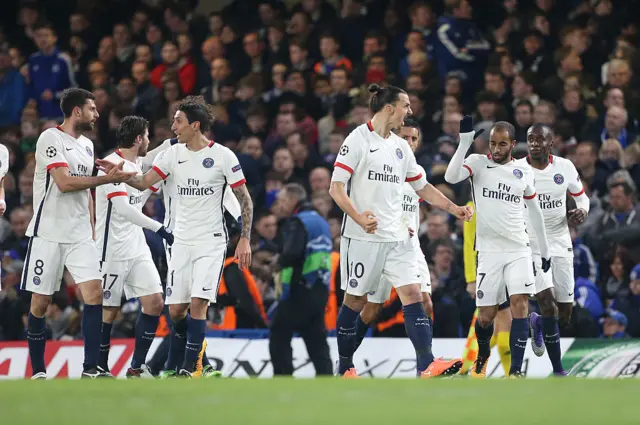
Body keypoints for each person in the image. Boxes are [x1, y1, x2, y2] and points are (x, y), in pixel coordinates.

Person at [101, 96, 253, 377]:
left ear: (195, 125)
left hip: (211, 240)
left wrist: (244, 238)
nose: (173, 127)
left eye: (178, 121)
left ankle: (188, 368)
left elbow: (244, 199)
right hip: (180, 241)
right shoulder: (172, 155)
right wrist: (119, 176)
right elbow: (144, 181)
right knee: (176, 311)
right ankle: (199, 363)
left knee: (198, 303)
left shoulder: (223, 156)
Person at [329, 84, 473, 378]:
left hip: (398, 238)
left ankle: (426, 364)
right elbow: (335, 188)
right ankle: (345, 366)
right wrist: (357, 217)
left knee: (413, 294)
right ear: (389, 108)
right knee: (356, 302)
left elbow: (423, 187)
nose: (410, 111)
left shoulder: (399, 147)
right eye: (406, 105)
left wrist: (453, 208)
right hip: (363, 238)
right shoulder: (357, 140)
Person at [21, 88, 136, 379]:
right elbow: (64, 183)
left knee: (95, 294)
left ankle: (91, 368)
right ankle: (38, 371)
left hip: (80, 235)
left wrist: (93, 228)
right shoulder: (50, 138)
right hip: (48, 233)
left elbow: (88, 193)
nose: (97, 114)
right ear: (77, 112)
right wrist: (106, 179)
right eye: (92, 109)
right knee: (41, 303)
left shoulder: (86, 145)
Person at [347, 118, 460, 372]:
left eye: (414, 138)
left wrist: (453, 210)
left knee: (424, 302)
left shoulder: (416, 171)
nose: (409, 142)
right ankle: (345, 360)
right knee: (372, 308)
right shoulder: (381, 166)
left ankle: (426, 365)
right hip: (381, 244)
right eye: (405, 137)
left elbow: (423, 198)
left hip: (409, 248)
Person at [444, 117, 551, 378]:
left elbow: (535, 212)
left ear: (513, 144)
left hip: (518, 248)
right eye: (492, 143)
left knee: (519, 303)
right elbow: (450, 176)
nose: (496, 148)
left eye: (502, 144)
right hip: (489, 252)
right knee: (485, 317)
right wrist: (465, 143)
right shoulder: (478, 163)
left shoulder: (524, 171)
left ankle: (515, 371)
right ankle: (482, 354)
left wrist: (545, 250)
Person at [94, 116, 174, 378]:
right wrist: (159, 228)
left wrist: (175, 142)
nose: (148, 141)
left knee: (154, 302)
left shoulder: (137, 165)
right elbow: (125, 210)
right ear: (139, 138)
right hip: (111, 249)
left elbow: (152, 155)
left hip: (136, 247)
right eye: (147, 136)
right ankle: (99, 366)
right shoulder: (111, 166)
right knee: (110, 310)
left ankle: (136, 367)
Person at [514, 123, 590, 376]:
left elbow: (581, 196)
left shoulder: (565, 167)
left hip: (560, 242)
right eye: (530, 139)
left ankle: (536, 323)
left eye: (539, 139)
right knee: (548, 304)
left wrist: (582, 210)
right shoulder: (517, 169)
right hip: (531, 245)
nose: (534, 143)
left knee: (564, 313)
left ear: (551, 143)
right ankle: (558, 370)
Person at [269, 183, 333, 376]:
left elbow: (292, 253)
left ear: (292, 200)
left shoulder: (298, 221)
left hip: (300, 288)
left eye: (281, 200)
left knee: (279, 332)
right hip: (320, 288)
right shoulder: (321, 222)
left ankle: (283, 377)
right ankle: (327, 379)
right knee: (316, 339)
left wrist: (277, 261)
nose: (278, 205)